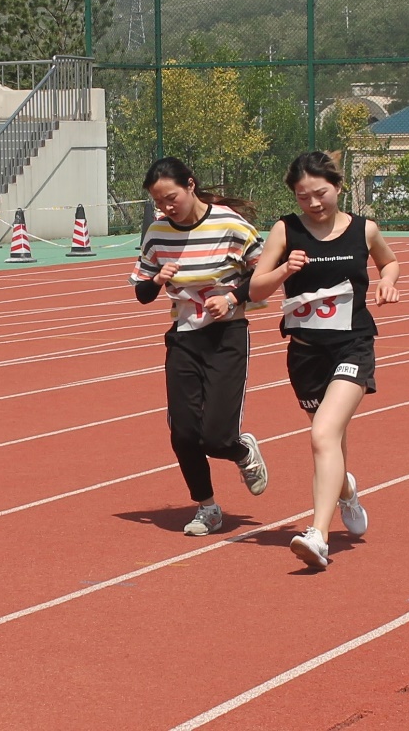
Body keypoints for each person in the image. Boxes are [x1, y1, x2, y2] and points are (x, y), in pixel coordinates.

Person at [247, 151, 401, 569]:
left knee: (322, 434)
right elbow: (256, 289)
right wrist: (284, 270)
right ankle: (345, 489)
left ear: (337, 186)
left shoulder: (364, 229)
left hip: (352, 346)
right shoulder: (286, 230)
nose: (314, 203)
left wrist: (387, 283)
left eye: (321, 193)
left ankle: (318, 535)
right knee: (330, 438)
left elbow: (389, 262)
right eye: (303, 197)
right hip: (305, 352)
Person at [132, 157, 270, 536]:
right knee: (183, 434)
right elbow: (142, 292)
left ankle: (241, 451)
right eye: (159, 202)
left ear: (190, 185)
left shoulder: (229, 224)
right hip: (184, 337)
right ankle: (207, 507)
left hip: (226, 336)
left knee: (216, 437)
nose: (166, 208)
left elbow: (264, 271)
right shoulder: (158, 233)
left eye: (171, 198)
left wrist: (232, 298)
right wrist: (157, 280)